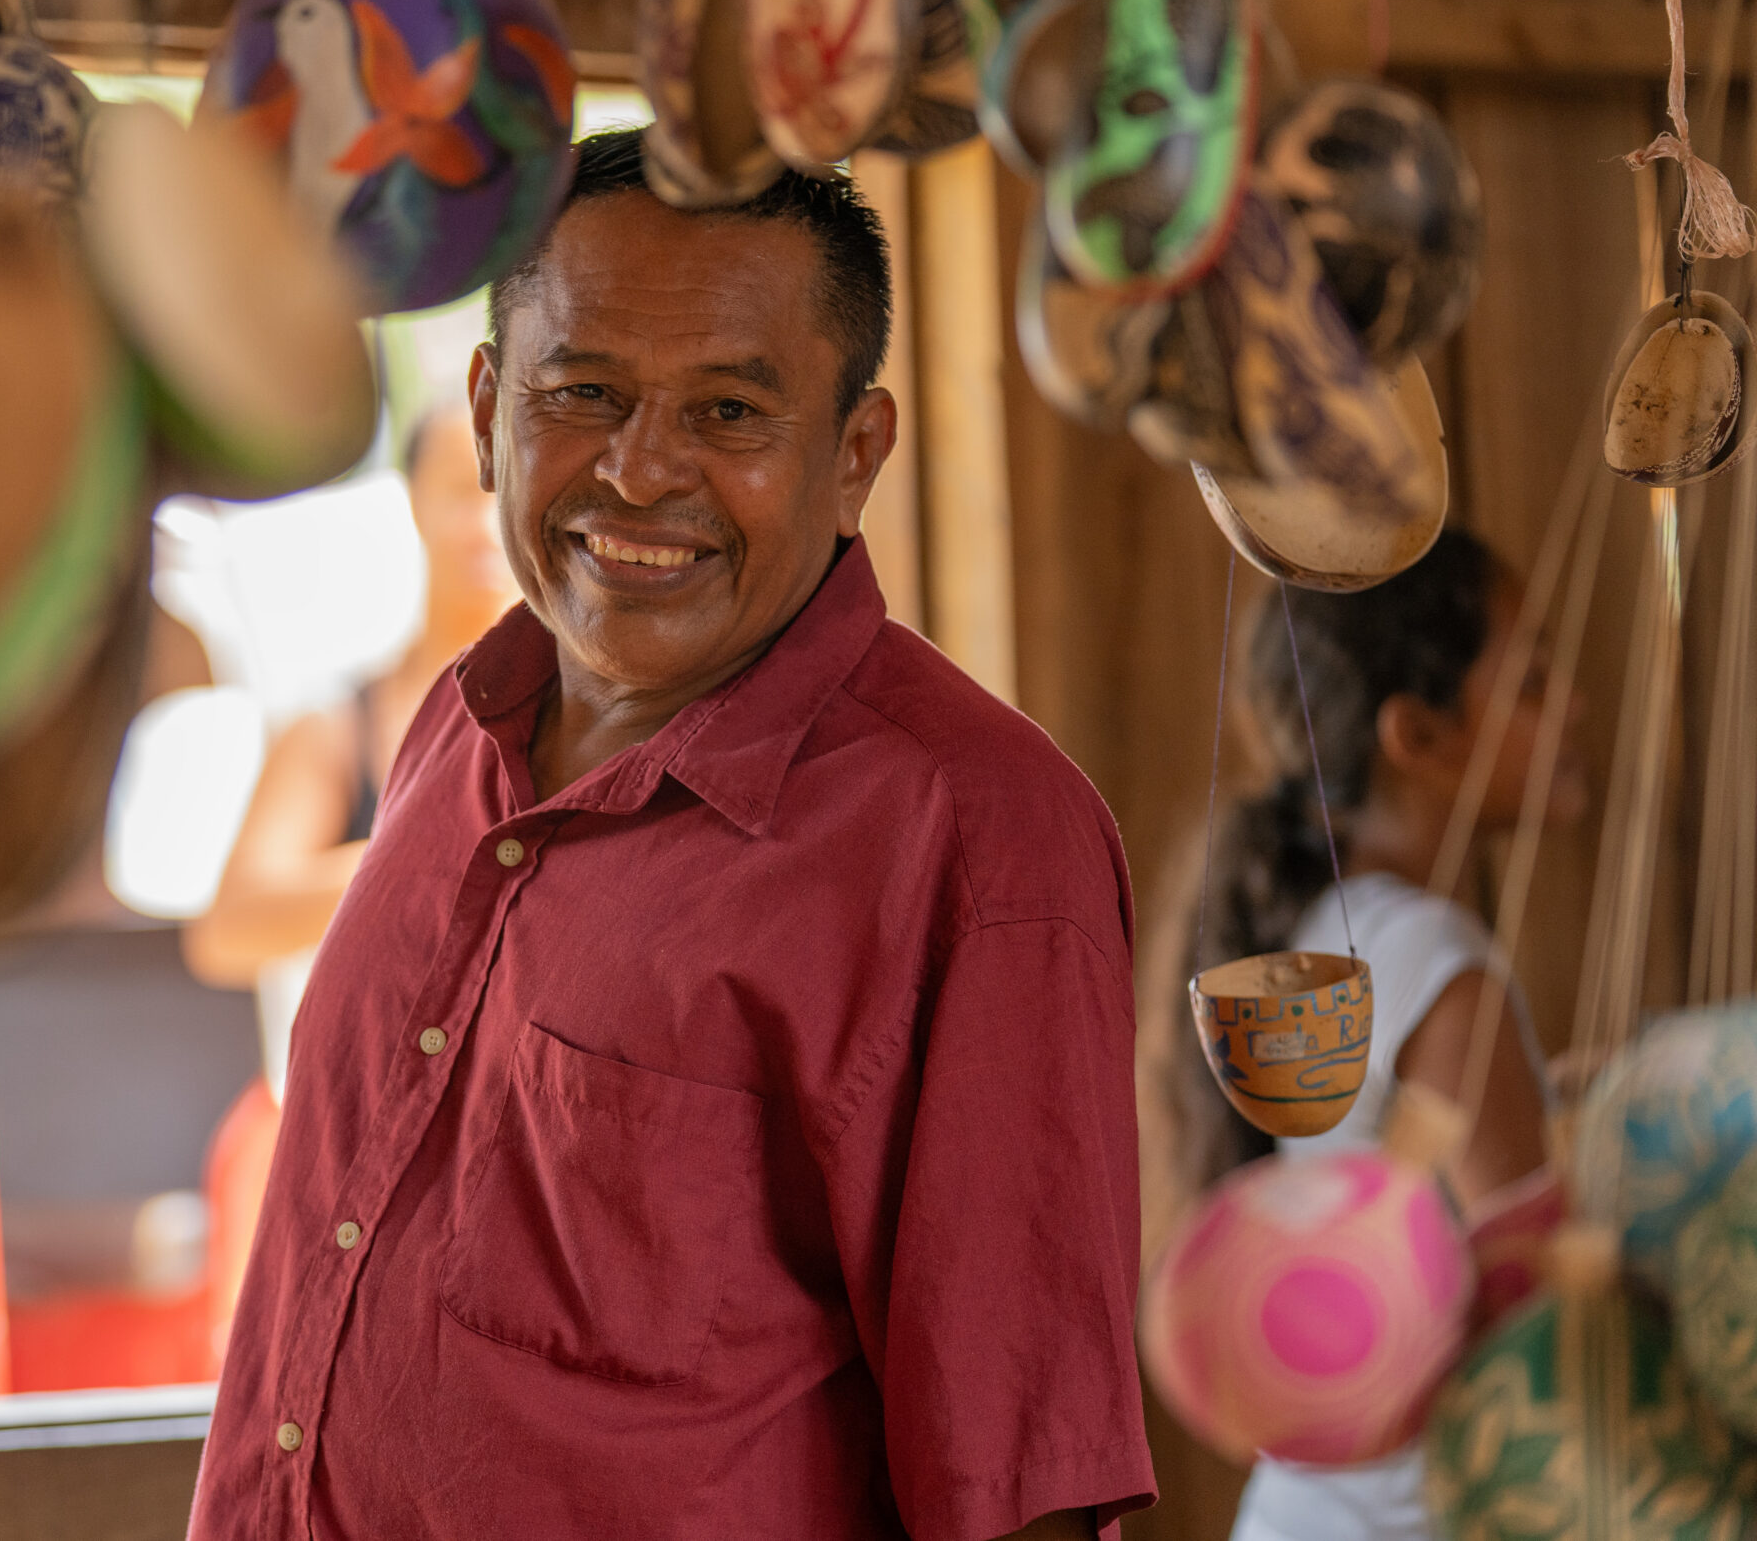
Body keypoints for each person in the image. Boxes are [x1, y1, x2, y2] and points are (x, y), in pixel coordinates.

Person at [187, 128, 1155, 1541]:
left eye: (729, 413)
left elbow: (1017, 1485)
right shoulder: (458, 724)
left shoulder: (976, 837)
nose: (639, 474)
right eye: (583, 392)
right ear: (486, 407)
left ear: (856, 453)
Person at [1149, 530, 1579, 1541]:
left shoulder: (1309, 935)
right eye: (1529, 682)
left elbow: (1401, 1179)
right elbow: (1537, 1310)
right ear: (1417, 738)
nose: (1573, 705)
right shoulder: (1436, 957)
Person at [184, 401, 519, 1097]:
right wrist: (441, 858)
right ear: (412, 501)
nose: (484, 525)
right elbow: (228, 929)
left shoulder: (608, 725)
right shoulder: (339, 722)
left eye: (508, 491)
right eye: (462, 491)